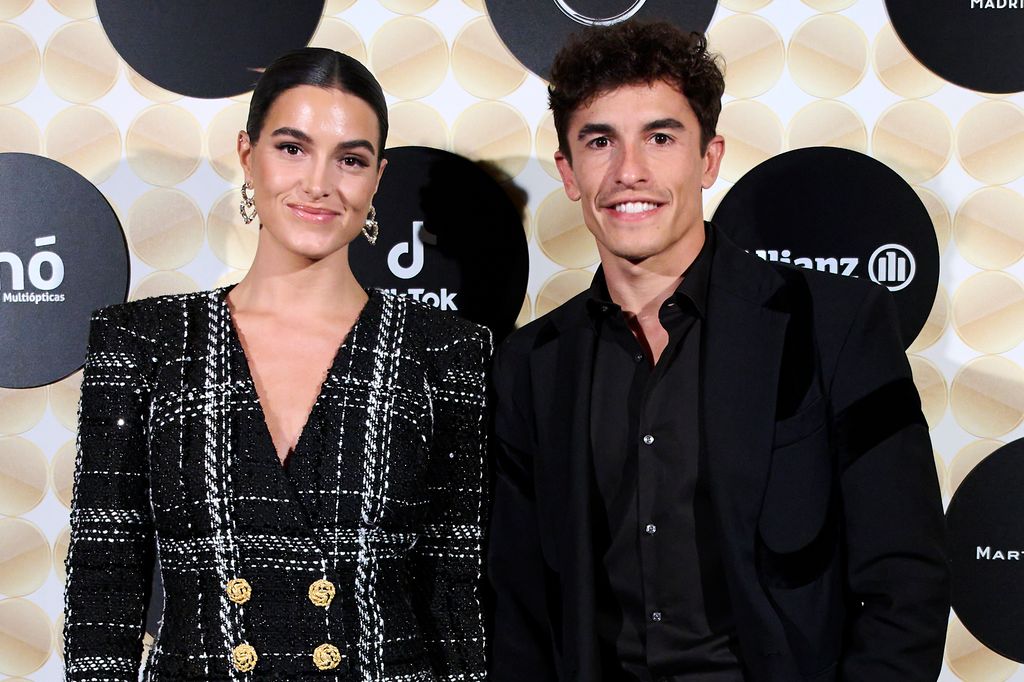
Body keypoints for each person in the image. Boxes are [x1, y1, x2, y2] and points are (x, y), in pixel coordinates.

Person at [489, 20, 948, 682]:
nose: (629, 172)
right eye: (599, 142)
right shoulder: (532, 365)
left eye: (661, 137)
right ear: (568, 171)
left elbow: (907, 582)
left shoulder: (835, 325)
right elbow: (520, 610)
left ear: (708, 158)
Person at [63, 47, 490, 680]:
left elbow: (456, 591)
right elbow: (105, 582)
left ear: (377, 178)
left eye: (350, 159)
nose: (319, 183)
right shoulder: (142, 343)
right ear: (247, 155)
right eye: (292, 148)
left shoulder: (444, 351)